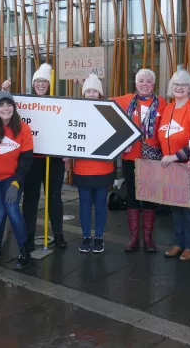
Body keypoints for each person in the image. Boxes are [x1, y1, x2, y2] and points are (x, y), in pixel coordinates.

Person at [1, 63, 68, 251]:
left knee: (54, 197)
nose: (41, 84)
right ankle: (29, 234)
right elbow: (5, 109)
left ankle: (59, 234)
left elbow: (67, 128)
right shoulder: (24, 102)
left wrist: (67, 152)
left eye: (44, 81)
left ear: (49, 84)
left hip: (53, 160)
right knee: (30, 198)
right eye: (37, 81)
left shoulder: (58, 102)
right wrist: (5, 90)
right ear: (33, 83)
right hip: (31, 159)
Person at [112, 69, 167, 252]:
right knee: (132, 197)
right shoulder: (126, 100)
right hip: (130, 157)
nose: (145, 84)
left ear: (154, 84)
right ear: (136, 84)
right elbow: (104, 106)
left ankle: (148, 239)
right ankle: (133, 238)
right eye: (141, 81)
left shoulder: (162, 103)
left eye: (148, 81)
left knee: (150, 198)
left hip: (152, 158)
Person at [0, 91, 34, 269]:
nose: (6, 108)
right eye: (2, 105)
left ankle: (24, 248)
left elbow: (26, 160)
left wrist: (16, 182)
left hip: (12, 178)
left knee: (12, 210)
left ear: (14, 107)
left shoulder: (23, 128)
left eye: (9, 104)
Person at [159, 70, 190, 261]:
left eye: (184, 85)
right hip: (170, 167)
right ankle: (179, 242)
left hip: (188, 166)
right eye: (176, 85)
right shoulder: (168, 108)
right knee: (175, 207)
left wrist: (176, 156)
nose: (179, 88)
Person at [74, 74, 115, 253]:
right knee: (84, 204)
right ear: (84, 93)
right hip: (82, 168)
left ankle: (98, 238)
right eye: (88, 91)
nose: (91, 94)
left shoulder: (109, 110)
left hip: (104, 168)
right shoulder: (76, 109)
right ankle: (85, 237)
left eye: (94, 91)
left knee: (100, 205)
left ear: (100, 93)